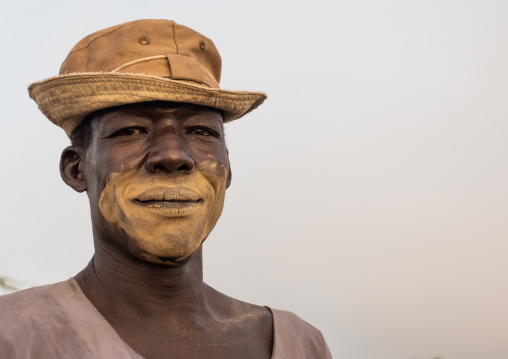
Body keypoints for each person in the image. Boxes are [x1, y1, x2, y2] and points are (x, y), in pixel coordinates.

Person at [0, 19, 332, 358]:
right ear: (76, 169)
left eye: (202, 132)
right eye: (131, 130)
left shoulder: (301, 344)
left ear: (227, 169)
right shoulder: (14, 334)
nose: (173, 155)